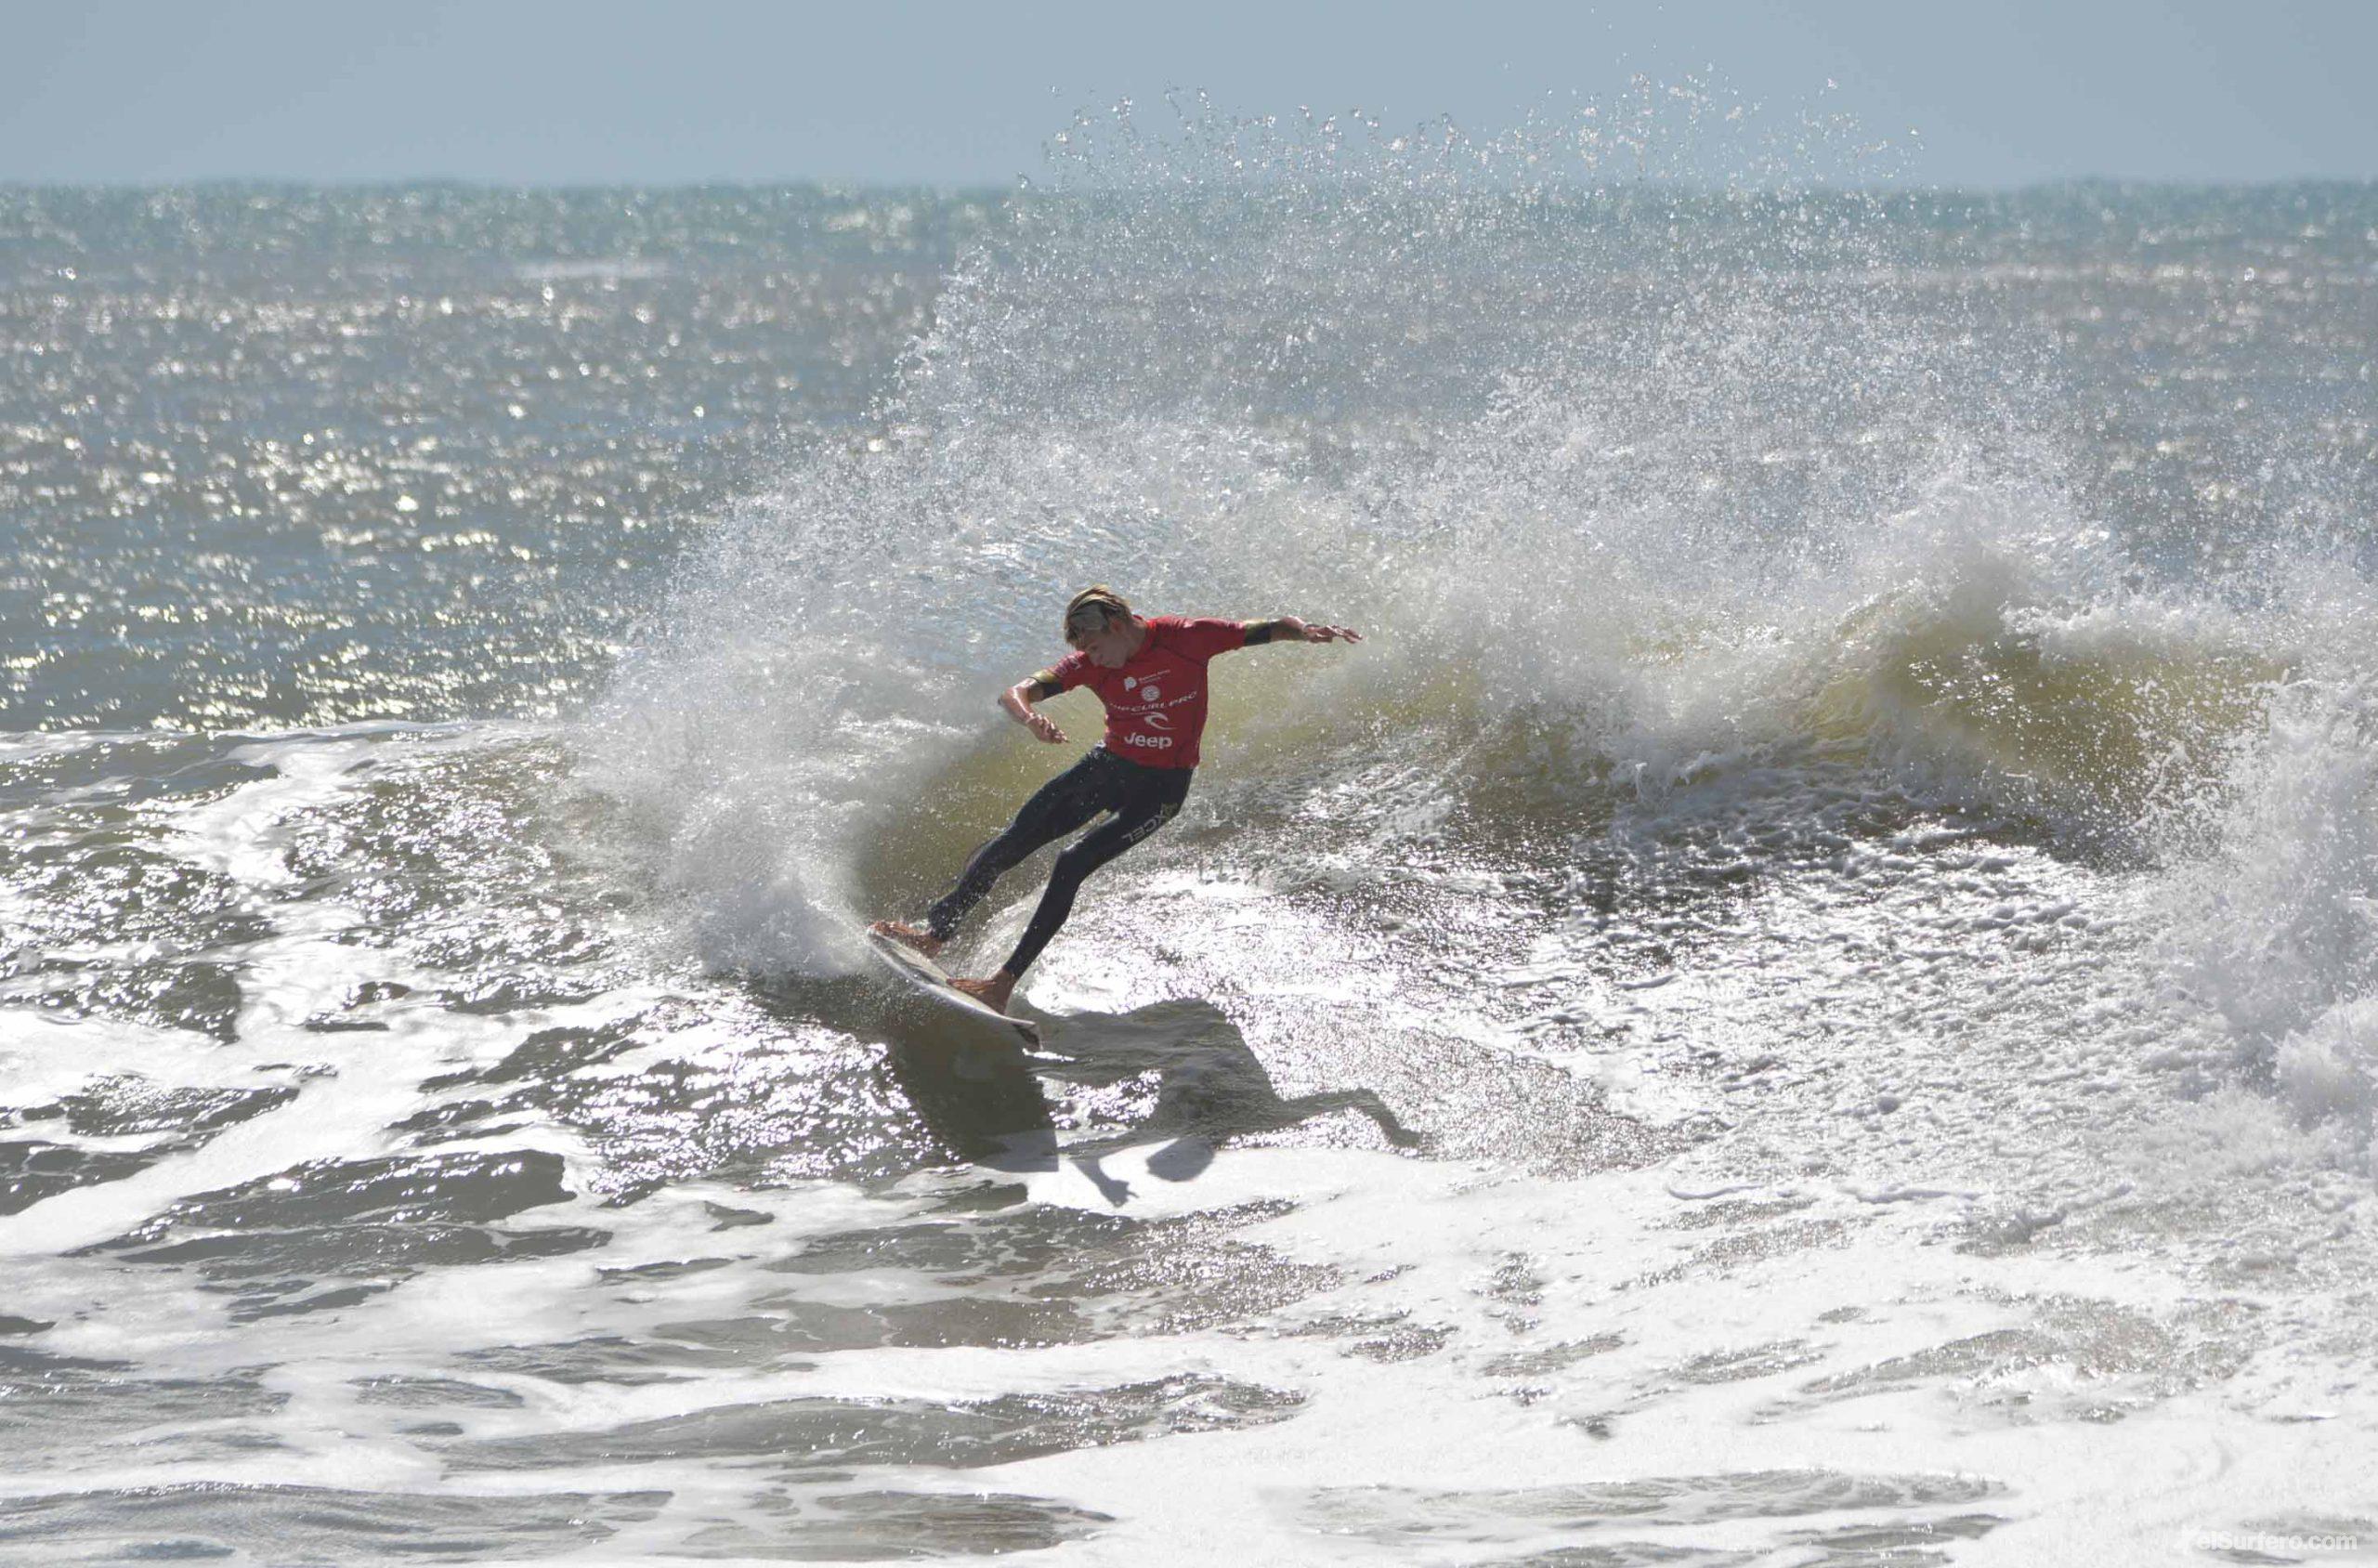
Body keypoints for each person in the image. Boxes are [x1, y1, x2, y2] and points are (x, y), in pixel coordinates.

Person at [870, 585, 1361, 1015]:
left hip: (1162, 790)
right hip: (1108, 767)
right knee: (1011, 843)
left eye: (1095, 644)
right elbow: (1016, 692)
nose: (1091, 657)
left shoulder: (1185, 637)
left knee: (1071, 862)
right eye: (1083, 650)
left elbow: (1266, 628)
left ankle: (1001, 985)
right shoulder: (1088, 665)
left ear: (1120, 623)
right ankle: (935, 936)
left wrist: (1308, 630)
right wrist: (1031, 719)